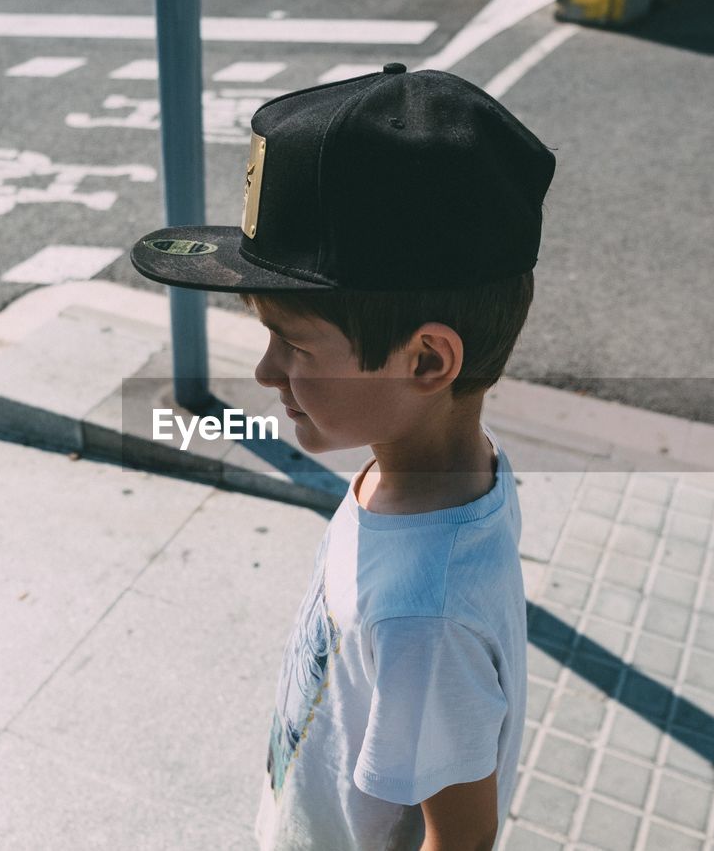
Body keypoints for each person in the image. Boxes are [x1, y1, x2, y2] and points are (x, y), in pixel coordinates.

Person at [129, 62, 555, 851]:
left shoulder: (420, 616)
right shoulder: (429, 471)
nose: (265, 372)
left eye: (292, 343)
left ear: (427, 363)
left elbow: (460, 838)